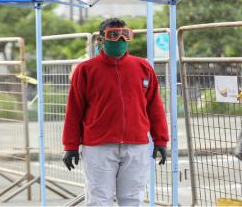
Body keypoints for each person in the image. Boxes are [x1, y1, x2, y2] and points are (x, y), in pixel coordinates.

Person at [62, 18, 169, 206]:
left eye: (125, 34)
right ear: (101, 40)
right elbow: (74, 109)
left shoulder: (143, 67)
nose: (119, 39)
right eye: (113, 35)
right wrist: (70, 145)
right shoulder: (86, 70)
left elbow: (154, 106)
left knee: (132, 199)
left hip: (136, 145)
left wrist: (160, 139)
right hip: (98, 145)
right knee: (98, 199)